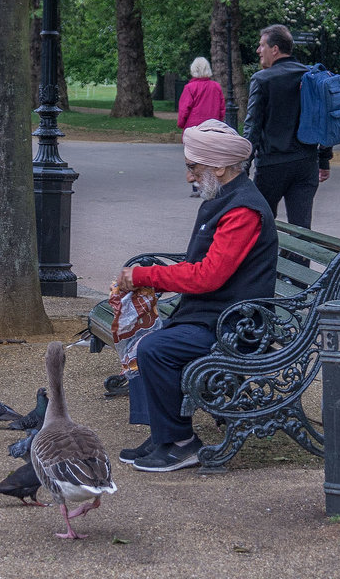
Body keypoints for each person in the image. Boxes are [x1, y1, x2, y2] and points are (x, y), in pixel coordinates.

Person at [113, 119, 278, 472]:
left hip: (237, 325)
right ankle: (164, 435)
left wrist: (145, 275)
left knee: (154, 348)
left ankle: (183, 444)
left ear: (219, 167)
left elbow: (208, 276)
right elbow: (203, 269)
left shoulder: (242, 210)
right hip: (217, 314)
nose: (189, 176)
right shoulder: (225, 199)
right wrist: (150, 282)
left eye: (193, 167)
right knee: (146, 337)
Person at [242, 24, 333, 229]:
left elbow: (252, 128)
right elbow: (324, 121)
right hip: (305, 163)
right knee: (302, 229)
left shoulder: (262, 79)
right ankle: (299, 262)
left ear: (275, 49)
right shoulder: (311, 76)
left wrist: (243, 167)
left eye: (261, 45)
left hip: (272, 165)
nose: (258, 51)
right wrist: (324, 160)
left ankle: (267, 262)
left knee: (260, 225)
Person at [177, 56, 226, 197]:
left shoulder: (190, 88)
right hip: (211, 128)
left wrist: (181, 124)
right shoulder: (216, 87)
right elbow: (222, 108)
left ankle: (197, 184)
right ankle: (211, 184)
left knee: (194, 157)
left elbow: (184, 109)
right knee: (210, 156)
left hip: (194, 128)